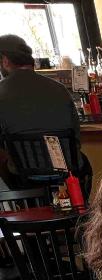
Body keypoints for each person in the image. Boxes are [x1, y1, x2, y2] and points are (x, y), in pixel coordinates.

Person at [0, 34, 90, 187]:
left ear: (5, 60)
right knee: (83, 161)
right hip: (69, 173)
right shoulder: (60, 89)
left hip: (25, 179)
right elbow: (76, 135)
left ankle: (27, 207)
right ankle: (77, 204)